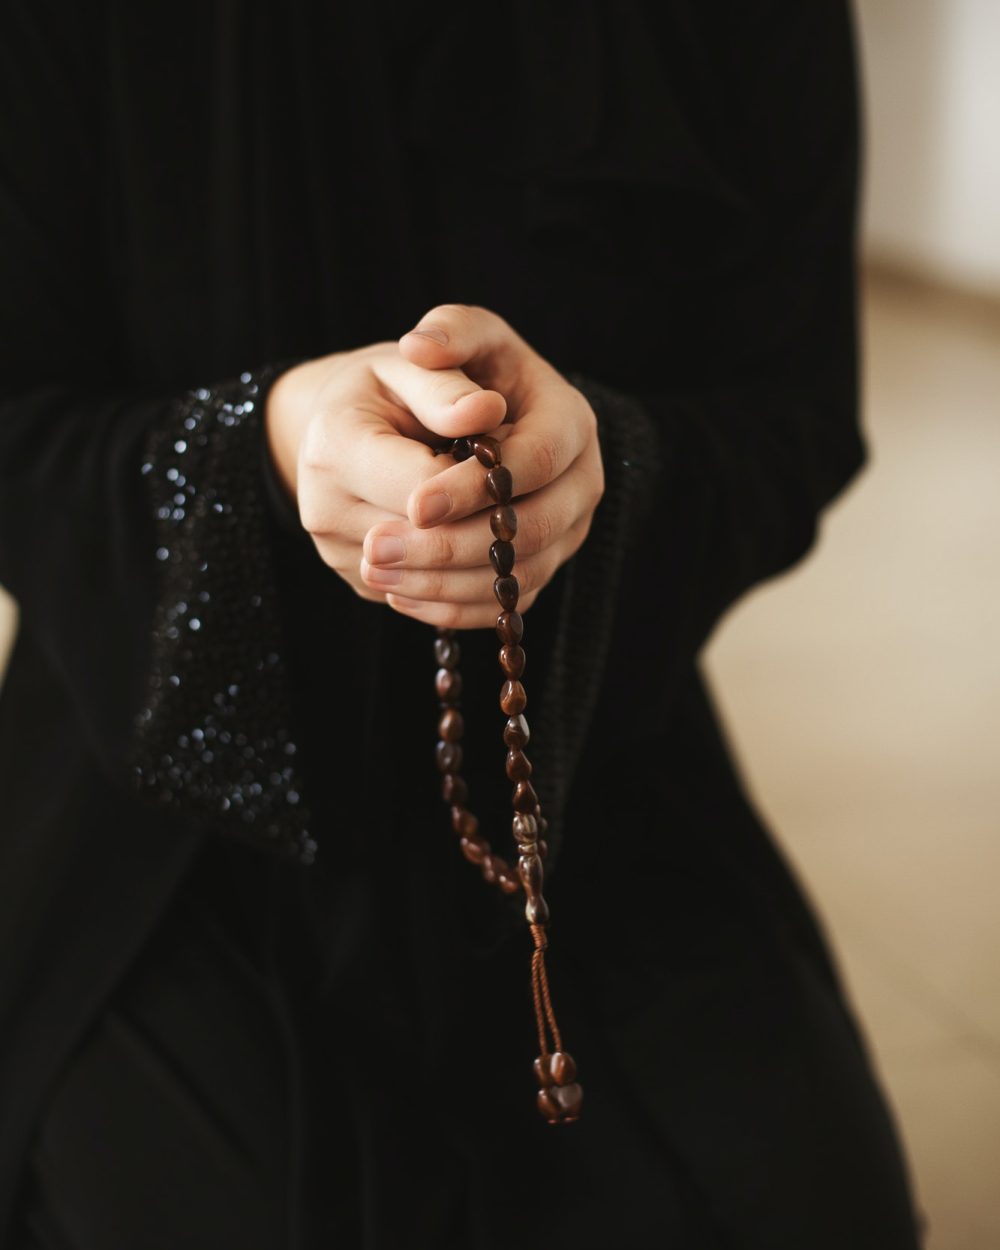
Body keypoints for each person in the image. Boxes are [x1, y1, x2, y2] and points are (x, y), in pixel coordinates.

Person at [0, 2, 925, 1246]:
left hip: (594, 765)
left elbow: (790, 404)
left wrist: (606, 467)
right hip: (156, 774)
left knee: (801, 1204)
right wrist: (261, 443)